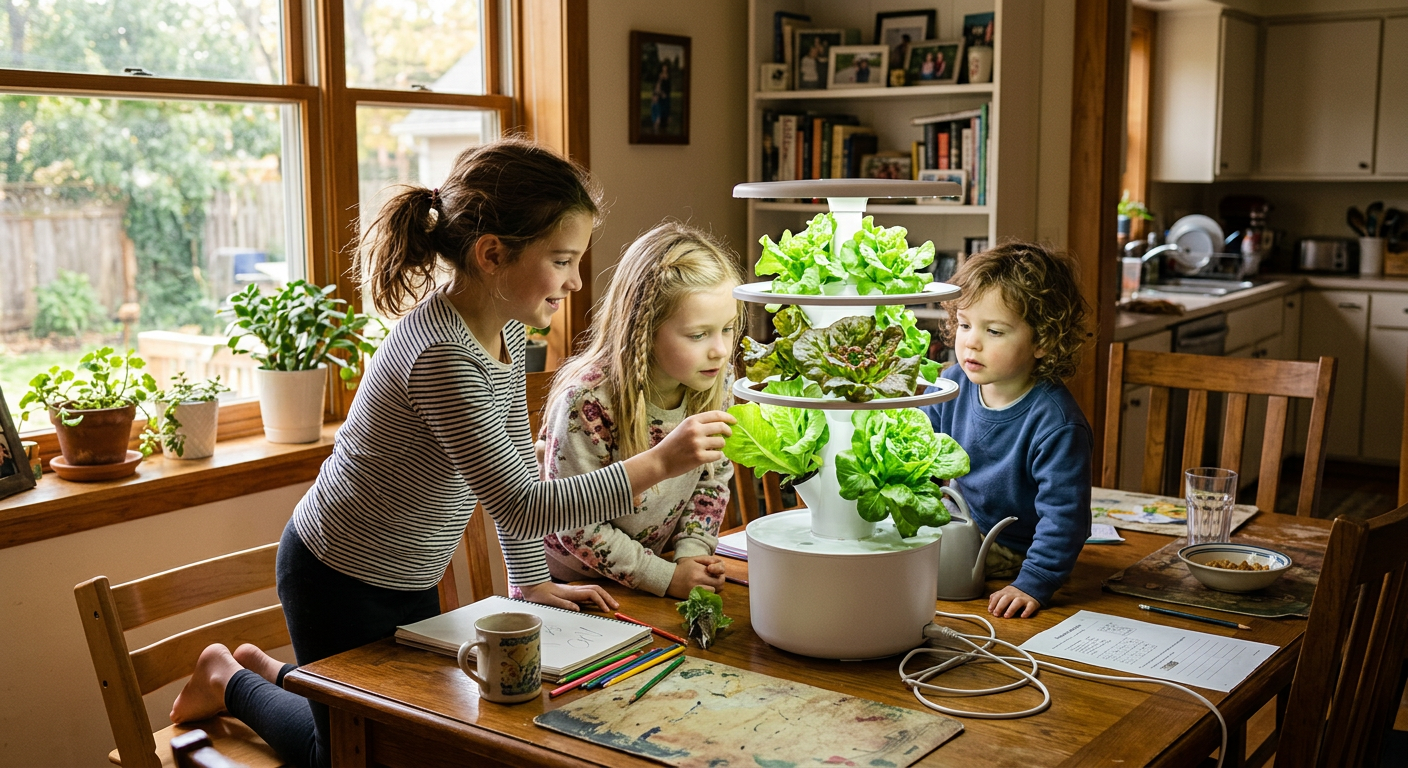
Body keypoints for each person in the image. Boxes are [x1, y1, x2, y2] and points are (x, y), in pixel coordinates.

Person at [165, 138, 735, 766]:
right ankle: (230, 678)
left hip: (410, 571)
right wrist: (657, 461)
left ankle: (269, 675)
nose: (576, 280)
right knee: (355, 756)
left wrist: (531, 582)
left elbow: (515, 459)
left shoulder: (506, 332)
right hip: (338, 574)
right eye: (563, 259)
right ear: (493, 255)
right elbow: (522, 505)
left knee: (407, 735)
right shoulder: (444, 358)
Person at [541, 222, 744, 599]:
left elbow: (712, 479)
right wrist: (664, 577)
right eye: (698, 335)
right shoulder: (588, 401)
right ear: (645, 330)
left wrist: (691, 557)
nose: (719, 349)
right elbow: (572, 523)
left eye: (728, 329)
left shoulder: (717, 379)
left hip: (654, 573)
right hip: (571, 588)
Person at [918, 242, 1092, 620]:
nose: (971, 341)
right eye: (964, 324)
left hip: (1013, 552)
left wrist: (1035, 580)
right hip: (959, 526)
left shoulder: (1056, 422)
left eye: (994, 331)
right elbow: (918, 459)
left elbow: (1067, 517)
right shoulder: (950, 384)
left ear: (1043, 341)